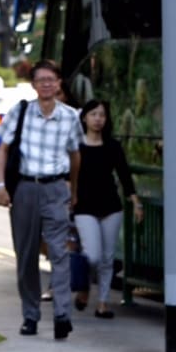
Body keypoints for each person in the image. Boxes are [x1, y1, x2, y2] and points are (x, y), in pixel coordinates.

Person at [0, 59, 83, 339]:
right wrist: (1, 186)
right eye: (41, 80)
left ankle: (62, 315)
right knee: (27, 254)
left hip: (56, 188)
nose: (46, 84)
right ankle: (30, 315)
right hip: (25, 189)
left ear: (59, 84)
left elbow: (75, 154)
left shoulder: (70, 116)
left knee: (59, 253)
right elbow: (3, 150)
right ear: (33, 85)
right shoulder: (20, 112)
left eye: (51, 79)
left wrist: (73, 189)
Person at [72, 99, 141, 318]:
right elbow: (68, 176)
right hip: (84, 207)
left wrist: (135, 201)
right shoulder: (76, 145)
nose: (98, 119)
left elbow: (124, 175)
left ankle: (102, 303)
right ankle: (84, 287)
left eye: (102, 115)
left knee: (107, 258)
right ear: (84, 118)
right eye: (93, 114)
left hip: (111, 206)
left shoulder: (113, 146)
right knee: (92, 256)